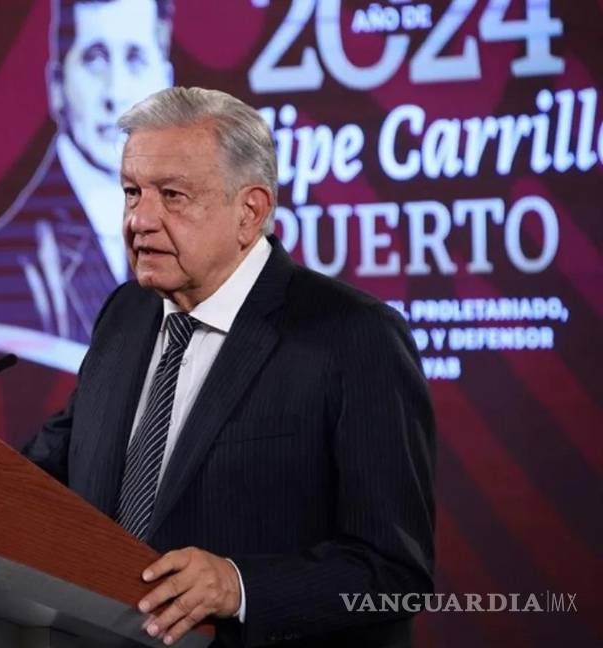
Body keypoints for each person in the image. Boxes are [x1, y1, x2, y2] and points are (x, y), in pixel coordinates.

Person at [26, 87, 436, 647]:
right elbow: (48, 470)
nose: (139, 219)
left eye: (172, 195)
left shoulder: (354, 336)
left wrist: (240, 586)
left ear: (250, 212)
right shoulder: (124, 314)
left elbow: (396, 573)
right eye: (132, 192)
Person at [0, 0, 174, 372]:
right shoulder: (9, 266)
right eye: (95, 59)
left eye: (135, 59)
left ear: (166, 83)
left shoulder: (195, 240)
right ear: (57, 85)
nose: (116, 92)